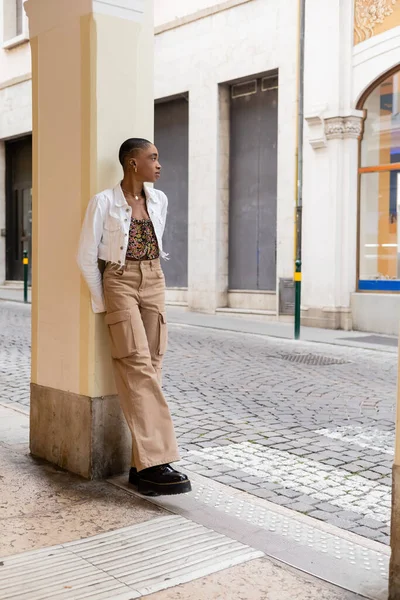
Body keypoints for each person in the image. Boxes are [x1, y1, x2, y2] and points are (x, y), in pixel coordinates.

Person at [77, 138, 191, 496]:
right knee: (136, 363)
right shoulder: (104, 202)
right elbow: (85, 257)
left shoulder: (159, 199)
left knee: (153, 365)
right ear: (132, 162)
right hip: (120, 281)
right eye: (152, 158)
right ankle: (157, 461)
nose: (158, 165)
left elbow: (156, 240)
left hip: (154, 278)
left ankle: (140, 467)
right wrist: (104, 302)